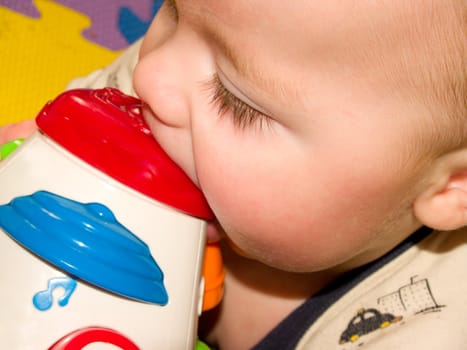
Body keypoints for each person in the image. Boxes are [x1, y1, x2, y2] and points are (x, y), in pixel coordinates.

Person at [1, 1, 466, 349]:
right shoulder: (208, 52)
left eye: (235, 102)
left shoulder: (428, 330)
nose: (150, 77)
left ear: (451, 186)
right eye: (173, 11)